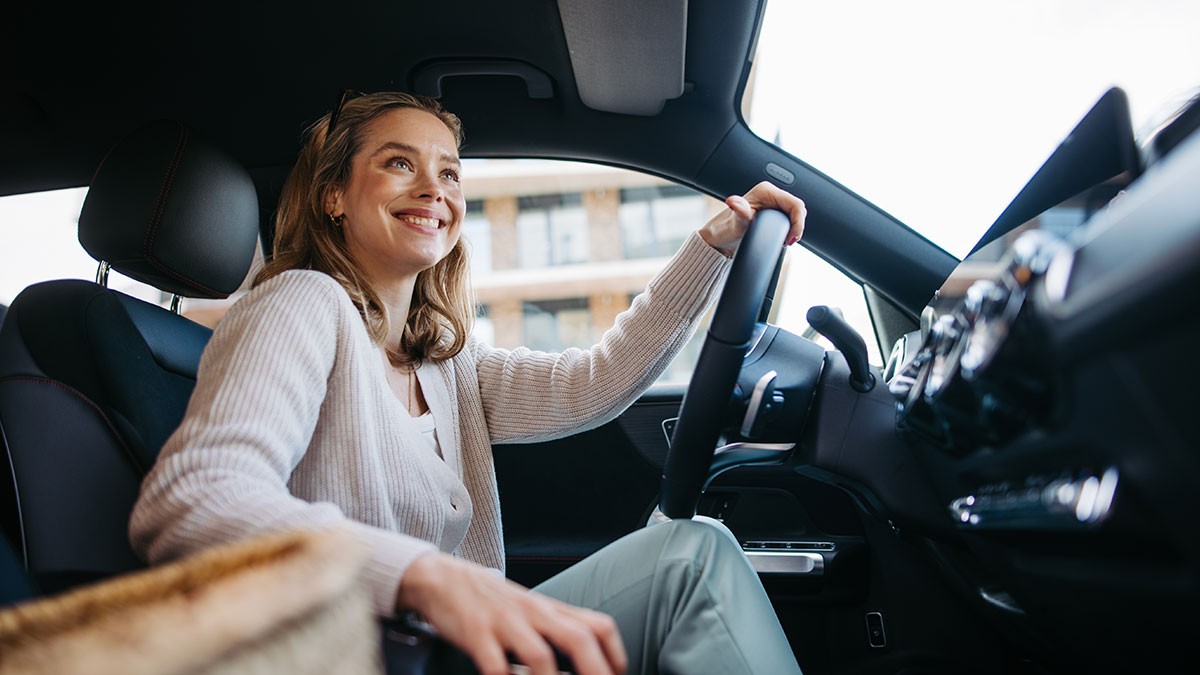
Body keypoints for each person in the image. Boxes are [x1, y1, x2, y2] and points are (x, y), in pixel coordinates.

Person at [129, 91, 807, 675]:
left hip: (443, 653)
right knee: (690, 563)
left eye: (449, 173)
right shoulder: (301, 304)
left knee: (694, 555)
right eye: (399, 162)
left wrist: (711, 246)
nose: (434, 188)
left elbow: (596, 380)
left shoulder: (444, 362)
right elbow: (192, 500)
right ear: (334, 194)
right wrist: (420, 577)